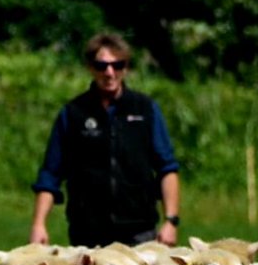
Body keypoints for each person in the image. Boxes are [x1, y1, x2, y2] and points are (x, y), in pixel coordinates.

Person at [29, 32, 181, 248]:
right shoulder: (73, 113)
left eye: (117, 65)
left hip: (138, 230)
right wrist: (38, 224)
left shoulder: (145, 109)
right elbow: (50, 174)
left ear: (125, 68)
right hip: (88, 232)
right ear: (90, 68)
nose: (109, 73)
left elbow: (167, 168)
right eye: (101, 66)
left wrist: (171, 221)